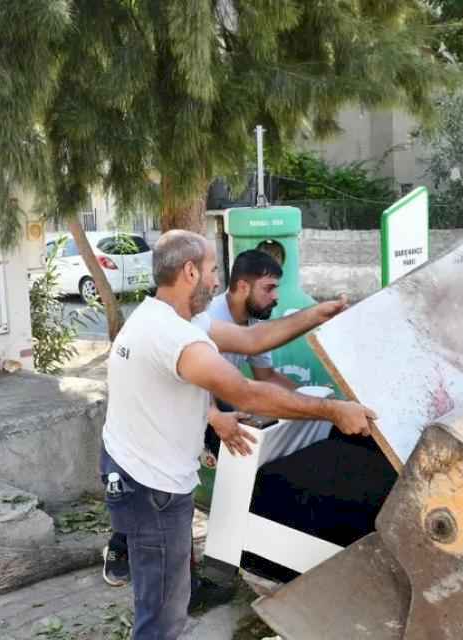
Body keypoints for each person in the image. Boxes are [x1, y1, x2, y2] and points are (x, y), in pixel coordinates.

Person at [100, 230, 375, 639]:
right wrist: (333, 411)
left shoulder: (171, 317)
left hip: (139, 471)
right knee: (161, 614)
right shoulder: (173, 336)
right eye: (212, 270)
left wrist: (317, 314)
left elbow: (250, 340)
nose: (216, 282)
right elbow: (245, 392)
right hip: (150, 486)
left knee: (167, 601)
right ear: (190, 272)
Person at [101, 249, 297, 589]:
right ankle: (126, 550)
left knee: (177, 501)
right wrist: (215, 417)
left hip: (212, 403)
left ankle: (188, 572)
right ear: (242, 287)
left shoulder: (246, 321)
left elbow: (262, 368)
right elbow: (209, 382)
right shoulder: (195, 320)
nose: (276, 297)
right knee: (156, 499)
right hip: (192, 412)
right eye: (269, 288)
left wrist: (313, 397)